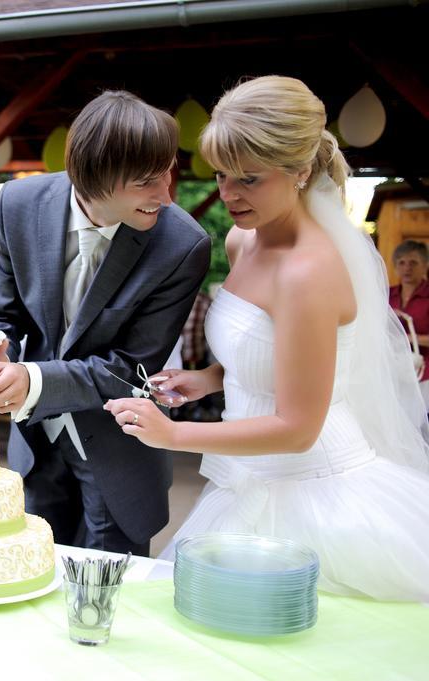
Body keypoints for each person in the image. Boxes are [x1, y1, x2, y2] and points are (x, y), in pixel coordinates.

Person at [104, 76, 429, 601]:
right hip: (248, 478)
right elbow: (270, 356)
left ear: (301, 172)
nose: (228, 194)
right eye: (220, 175)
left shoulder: (310, 271)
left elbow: (298, 428)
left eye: (248, 179)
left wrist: (174, 435)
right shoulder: (241, 240)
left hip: (317, 491)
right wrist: (209, 379)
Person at [0, 91, 211, 555]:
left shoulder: (183, 245)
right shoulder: (17, 203)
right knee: (28, 584)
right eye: (145, 182)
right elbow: (2, 311)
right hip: (33, 452)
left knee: (107, 605)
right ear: (95, 178)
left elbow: (130, 367)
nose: (166, 193)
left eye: (168, 171)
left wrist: (33, 379)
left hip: (119, 460)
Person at [389, 240, 429, 411]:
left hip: (424, 374)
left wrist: (408, 338)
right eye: (402, 262)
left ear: (425, 265)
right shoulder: (386, 294)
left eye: (413, 262)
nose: (407, 268)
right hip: (393, 372)